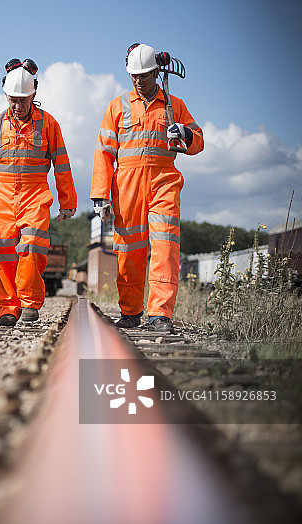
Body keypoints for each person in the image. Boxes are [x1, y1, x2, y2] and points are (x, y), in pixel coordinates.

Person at [91, 43, 204, 333]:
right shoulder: (117, 107)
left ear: (156, 72)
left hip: (164, 181)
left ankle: (160, 314)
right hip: (126, 186)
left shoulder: (174, 106)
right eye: (133, 76)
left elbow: (198, 142)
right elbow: (104, 153)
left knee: (165, 247)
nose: (138, 82)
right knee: (129, 251)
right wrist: (100, 196)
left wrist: (186, 133)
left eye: (143, 76)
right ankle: (130, 312)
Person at [0, 59, 77, 327]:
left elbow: (62, 164)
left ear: (34, 94)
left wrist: (67, 201)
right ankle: (7, 308)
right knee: (3, 254)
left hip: (35, 195)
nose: (18, 105)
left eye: (23, 99)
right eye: (13, 99)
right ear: (6, 95)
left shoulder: (48, 124)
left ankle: (30, 302)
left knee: (32, 247)